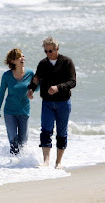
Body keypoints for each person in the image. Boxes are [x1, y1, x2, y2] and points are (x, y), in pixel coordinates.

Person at [27, 37, 76, 169]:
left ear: (57, 49)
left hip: (63, 103)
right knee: (46, 131)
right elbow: (36, 78)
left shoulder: (66, 62)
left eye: (50, 50)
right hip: (47, 103)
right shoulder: (43, 63)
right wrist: (31, 89)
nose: (48, 53)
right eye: (46, 51)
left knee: (61, 132)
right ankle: (46, 161)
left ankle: (58, 162)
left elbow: (73, 82)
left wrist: (58, 87)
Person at [0, 48, 35, 155]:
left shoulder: (30, 73)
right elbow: (1, 94)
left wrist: (32, 90)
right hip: (10, 112)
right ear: (13, 61)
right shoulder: (7, 76)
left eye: (23, 56)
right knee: (13, 142)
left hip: (24, 112)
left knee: (23, 143)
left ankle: (21, 167)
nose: (22, 58)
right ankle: (12, 167)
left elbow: (38, 84)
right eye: (19, 57)